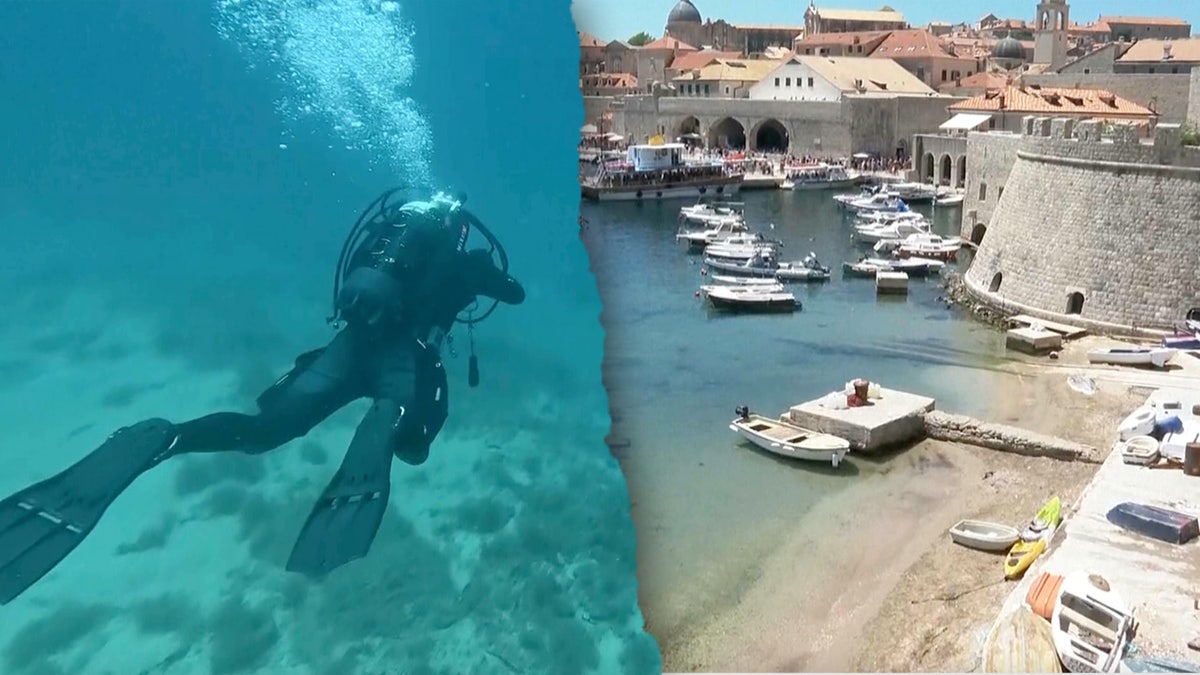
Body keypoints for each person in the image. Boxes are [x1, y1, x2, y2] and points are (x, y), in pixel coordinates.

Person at [0, 188, 525, 605]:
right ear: (458, 231)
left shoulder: (385, 241)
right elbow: (515, 293)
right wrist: (477, 272)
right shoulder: (463, 260)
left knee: (260, 432)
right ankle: (385, 419)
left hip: (346, 346)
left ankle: (167, 437)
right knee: (412, 444)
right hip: (405, 360)